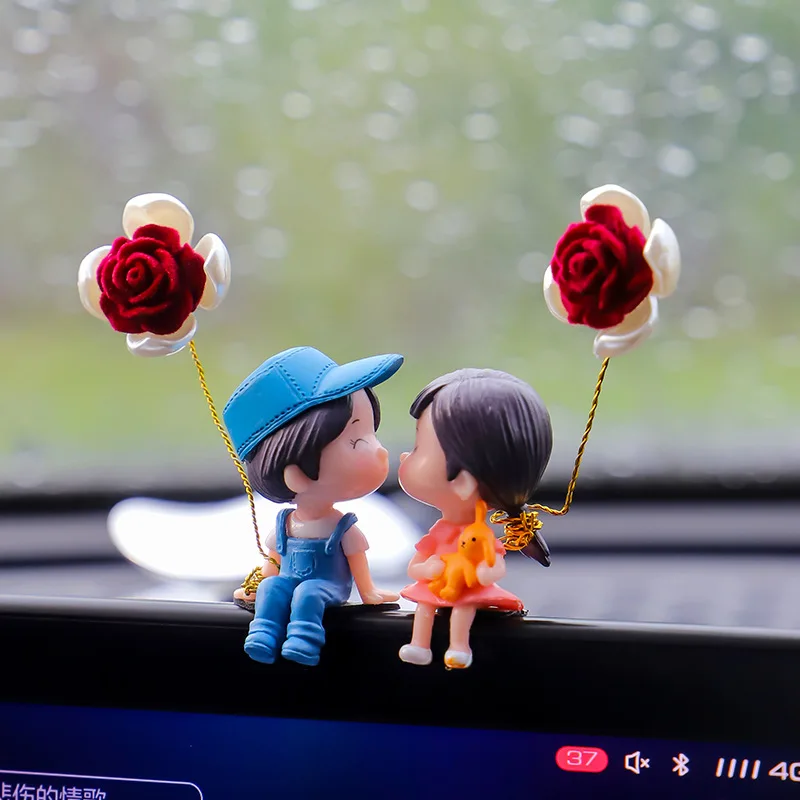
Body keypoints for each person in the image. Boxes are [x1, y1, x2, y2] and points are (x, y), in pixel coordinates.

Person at [223, 346, 402, 666]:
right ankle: (262, 633)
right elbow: (274, 564)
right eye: (356, 440)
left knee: (308, 594)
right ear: (295, 473)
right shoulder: (285, 525)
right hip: (294, 581)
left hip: (329, 587)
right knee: (273, 588)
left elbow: (358, 563)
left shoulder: (343, 528)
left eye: (371, 433)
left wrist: (369, 593)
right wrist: (258, 585)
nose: (380, 450)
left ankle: (304, 639)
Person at [397, 368, 553, 669]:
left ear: (463, 482)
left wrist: (482, 575)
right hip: (439, 585)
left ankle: (459, 646)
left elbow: (495, 565)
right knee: (425, 606)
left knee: (463, 608)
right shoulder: (441, 532)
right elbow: (415, 566)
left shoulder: (480, 538)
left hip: (465, 589)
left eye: (418, 448)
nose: (405, 456)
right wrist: (427, 568)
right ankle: (419, 644)